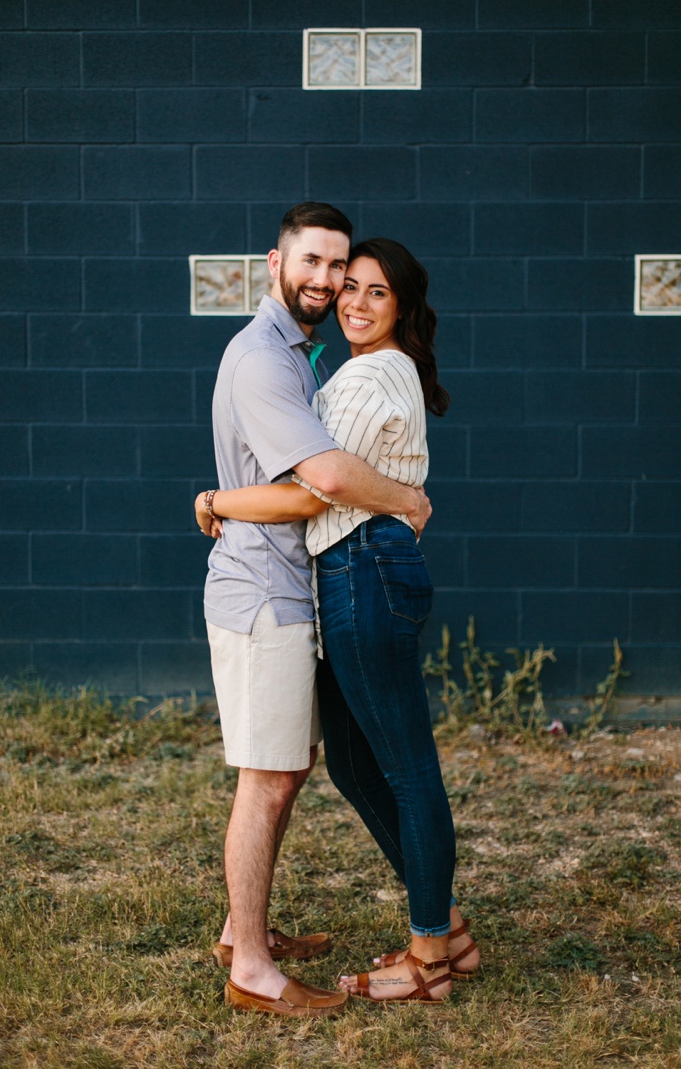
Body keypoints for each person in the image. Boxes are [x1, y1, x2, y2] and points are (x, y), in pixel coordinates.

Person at [197, 238, 477, 1004]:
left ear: (403, 308)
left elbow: (317, 487)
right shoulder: (349, 370)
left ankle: (430, 957)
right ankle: (444, 924)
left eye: (375, 293)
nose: (352, 300)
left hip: (365, 567)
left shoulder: (372, 374)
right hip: (347, 571)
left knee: (407, 766)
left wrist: (215, 501)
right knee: (355, 766)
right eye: (347, 286)